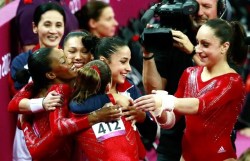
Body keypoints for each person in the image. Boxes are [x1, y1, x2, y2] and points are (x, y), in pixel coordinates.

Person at [135, 18, 248, 161]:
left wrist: (164, 101)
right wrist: (158, 110)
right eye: (198, 43)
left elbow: (200, 105)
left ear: (224, 47)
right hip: (187, 157)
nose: (198, 49)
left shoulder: (233, 81)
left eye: (205, 45)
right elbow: (171, 120)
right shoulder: (190, 73)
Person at [9, 2, 66, 161]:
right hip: (28, 147)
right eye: (47, 24)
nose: (53, 31)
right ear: (35, 27)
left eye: (58, 25)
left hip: (65, 146)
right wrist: (43, 102)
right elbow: (19, 104)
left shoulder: (71, 60)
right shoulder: (21, 63)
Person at [69, 59, 146, 160]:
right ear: (108, 87)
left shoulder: (72, 113)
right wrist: (112, 97)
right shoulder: (123, 105)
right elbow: (141, 153)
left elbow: (75, 106)